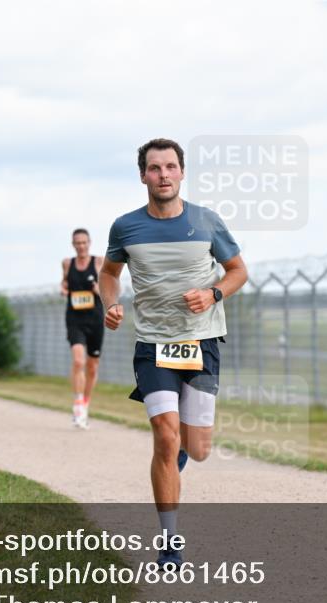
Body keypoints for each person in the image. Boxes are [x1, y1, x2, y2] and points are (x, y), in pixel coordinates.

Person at [100, 138, 248, 570]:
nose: (162, 175)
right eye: (154, 168)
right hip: (153, 345)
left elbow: (238, 271)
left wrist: (213, 293)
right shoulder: (125, 227)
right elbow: (108, 273)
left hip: (202, 342)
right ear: (142, 175)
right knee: (165, 437)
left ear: (182, 172)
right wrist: (111, 302)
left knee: (196, 449)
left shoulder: (207, 221)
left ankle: (178, 455)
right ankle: (170, 544)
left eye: (170, 167)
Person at [62, 228, 105, 429]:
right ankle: (78, 403)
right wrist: (63, 289)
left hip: (95, 319)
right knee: (78, 360)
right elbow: (64, 283)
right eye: (77, 243)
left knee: (92, 366)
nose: (81, 246)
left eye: (84, 242)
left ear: (89, 243)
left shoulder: (98, 262)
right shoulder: (67, 263)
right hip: (75, 319)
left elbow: (108, 288)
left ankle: (85, 403)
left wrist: (99, 289)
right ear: (73, 244)